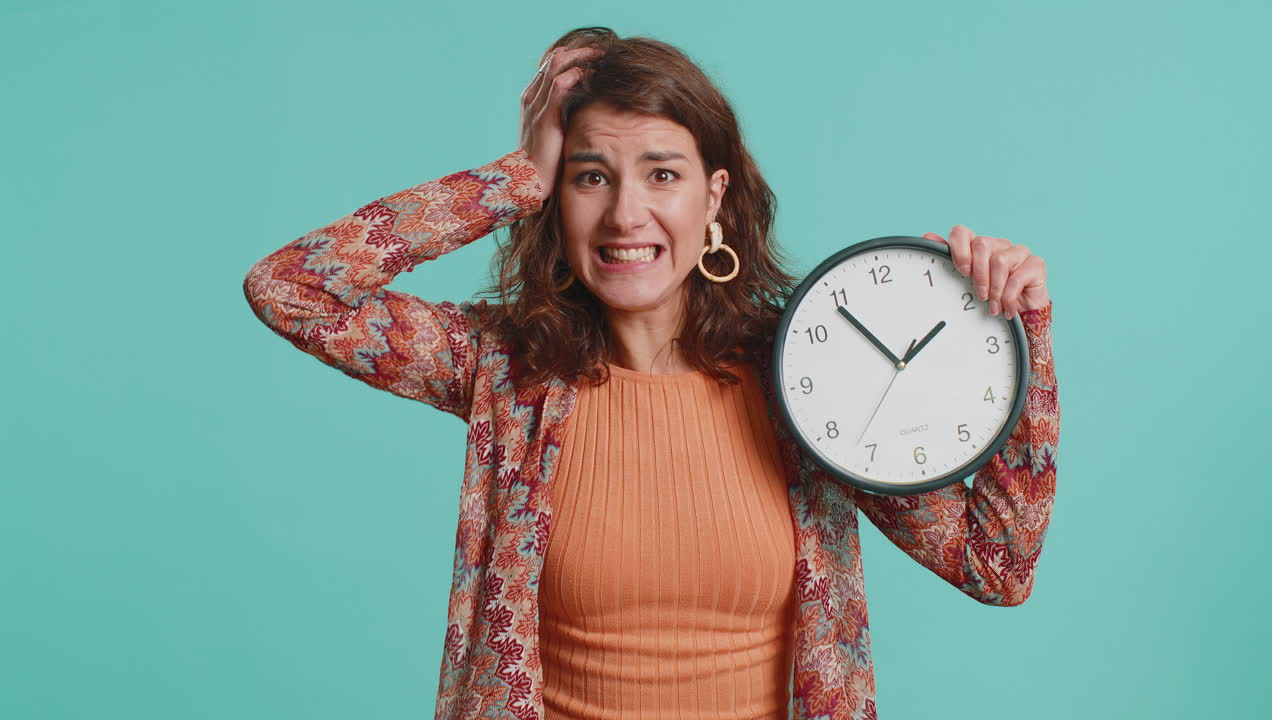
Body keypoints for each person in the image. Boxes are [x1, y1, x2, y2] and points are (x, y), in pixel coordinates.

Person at [243, 26, 1059, 720]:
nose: (626, 213)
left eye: (662, 174)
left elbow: (998, 564)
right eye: (590, 176)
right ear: (554, 201)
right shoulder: (504, 371)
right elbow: (291, 289)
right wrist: (514, 175)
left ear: (715, 197)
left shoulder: (807, 373)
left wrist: (1021, 329)